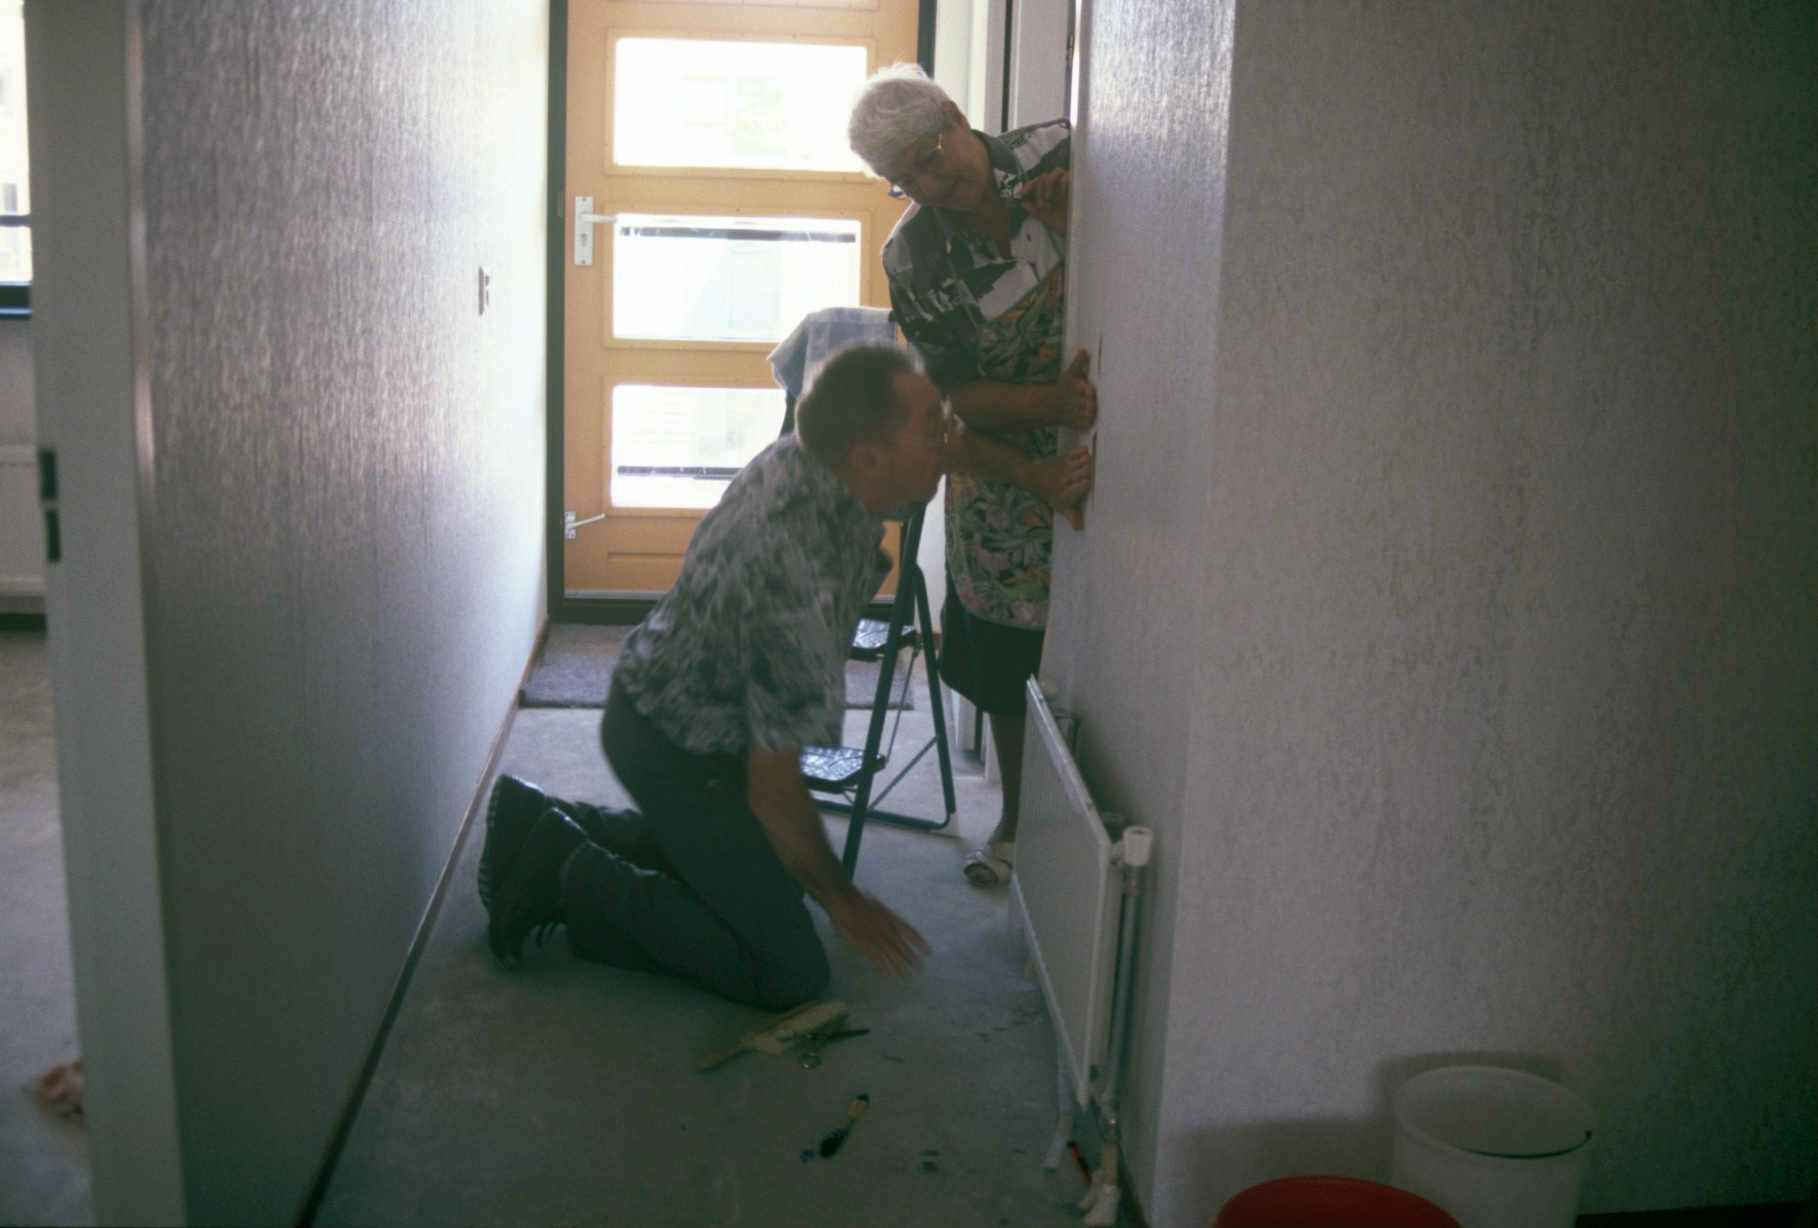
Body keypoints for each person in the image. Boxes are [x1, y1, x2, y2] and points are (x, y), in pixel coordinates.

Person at [477, 343, 940, 1008]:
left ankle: (545, 819)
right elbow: (774, 790)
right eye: (934, 429)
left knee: (778, 877)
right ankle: (566, 875)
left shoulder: (809, 455)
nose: (948, 441)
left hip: (661, 700)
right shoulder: (801, 584)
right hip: (676, 750)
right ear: (869, 458)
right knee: (789, 969)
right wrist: (846, 902)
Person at [848, 64, 1097, 888]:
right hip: (997, 466)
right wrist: (1043, 408)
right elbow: (956, 394)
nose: (929, 186)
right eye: (905, 179)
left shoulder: (1067, 151)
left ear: (955, 117)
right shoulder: (913, 255)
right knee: (1006, 657)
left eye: (929, 158)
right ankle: (1020, 821)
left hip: (1113, 435)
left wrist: (1081, 224)